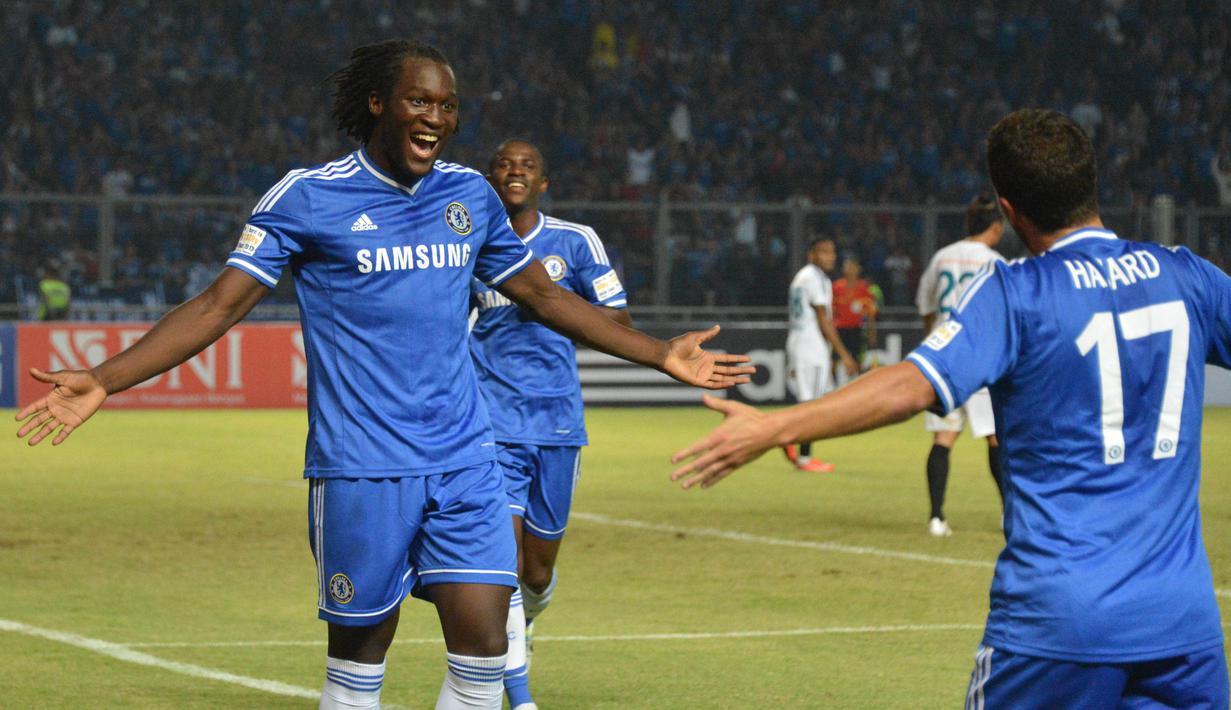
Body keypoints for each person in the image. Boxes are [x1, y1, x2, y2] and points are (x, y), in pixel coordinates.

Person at [15, 40, 752, 710]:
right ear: (378, 104)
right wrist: (107, 379)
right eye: (419, 101)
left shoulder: (468, 197)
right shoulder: (307, 197)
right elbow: (217, 305)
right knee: (358, 669)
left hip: (466, 460)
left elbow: (544, 296)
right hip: (363, 469)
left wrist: (657, 353)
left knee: (483, 657)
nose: (436, 116)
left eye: (448, 105)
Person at [670, 109, 1230, 707]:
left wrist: (773, 426)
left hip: (1058, 627)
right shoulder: (1187, 275)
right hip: (1184, 629)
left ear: (1009, 209)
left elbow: (909, 387)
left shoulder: (1018, 293)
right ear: (1092, 185)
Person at [469, 138, 631, 709]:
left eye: (527, 166)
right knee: (502, 563)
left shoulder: (574, 241)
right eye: (504, 164)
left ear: (543, 183)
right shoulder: (467, 239)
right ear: (490, 177)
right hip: (489, 422)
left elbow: (617, 316)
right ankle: (517, 694)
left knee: (536, 572)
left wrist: (549, 302)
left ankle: (528, 622)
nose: (514, 171)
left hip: (558, 422)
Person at [913, 193, 1006, 537]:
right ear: (995, 227)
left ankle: (937, 517)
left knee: (944, 437)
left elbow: (924, 303)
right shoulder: (995, 262)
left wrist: (934, 337)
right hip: (982, 357)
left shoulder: (942, 257)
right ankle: (1008, 513)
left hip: (944, 359)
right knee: (996, 439)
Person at [782, 238, 859, 473]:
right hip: (810, 344)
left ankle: (787, 437)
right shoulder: (814, 278)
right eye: (823, 252)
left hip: (800, 339)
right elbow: (823, 320)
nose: (830, 256)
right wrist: (844, 354)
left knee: (815, 400)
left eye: (832, 252)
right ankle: (804, 458)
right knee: (812, 405)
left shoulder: (805, 276)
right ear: (811, 254)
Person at [830, 256, 878, 387]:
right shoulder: (836, 287)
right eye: (847, 266)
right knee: (833, 363)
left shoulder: (864, 288)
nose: (850, 269)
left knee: (858, 364)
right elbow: (831, 312)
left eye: (853, 266)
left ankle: (858, 391)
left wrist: (872, 334)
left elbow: (871, 314)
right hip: (839, 331)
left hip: (857, 330)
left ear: (858, 269)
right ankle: (833, 390)